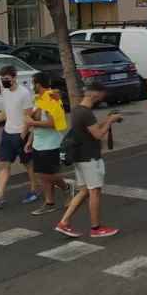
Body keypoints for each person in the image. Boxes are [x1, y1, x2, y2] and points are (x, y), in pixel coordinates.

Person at [55, 83, 123, 239]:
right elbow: (98, 135)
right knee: (95, 191)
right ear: (95, 95)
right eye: (101, 96)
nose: (102, 99)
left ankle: (64, 222)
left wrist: (107, 119)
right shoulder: (86, 113)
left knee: (84, 191)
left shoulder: (78, 110)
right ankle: (96, 228)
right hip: (89, 158)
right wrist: (111, 121)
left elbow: (90, 129)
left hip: (80, 157)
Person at [0, 65, 38, 209]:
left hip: (21, 134)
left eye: (7, 79)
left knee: (28, 164)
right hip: (7, 134)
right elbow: (6, 110)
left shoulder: (24, 94)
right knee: (4, 164)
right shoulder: (6, 92)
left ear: (14, 78)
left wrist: (23, 135)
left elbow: (28, 116)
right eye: (2, 79)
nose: (5, 82)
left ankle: (34, 190)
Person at [25, 72, 70, 216]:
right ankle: (49, 202)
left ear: (38, 84)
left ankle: (67, 187)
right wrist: (30, 140)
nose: (32, 86)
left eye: (33, 83)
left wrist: (32, 122)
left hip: (51, 143)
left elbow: (52, 123)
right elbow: (35, 123)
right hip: (39, 142)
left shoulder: (51, 99)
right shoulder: (39, 99)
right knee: (41, 174)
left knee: (47, 174)